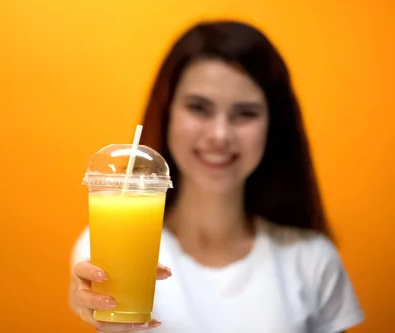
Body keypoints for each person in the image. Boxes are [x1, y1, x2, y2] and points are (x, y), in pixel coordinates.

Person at [69, 20, 364, 333]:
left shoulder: (313, 260)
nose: (220, 135)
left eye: (245, 113)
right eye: (199, 108)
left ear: (273, 126)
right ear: (168, 113)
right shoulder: (100, 249)